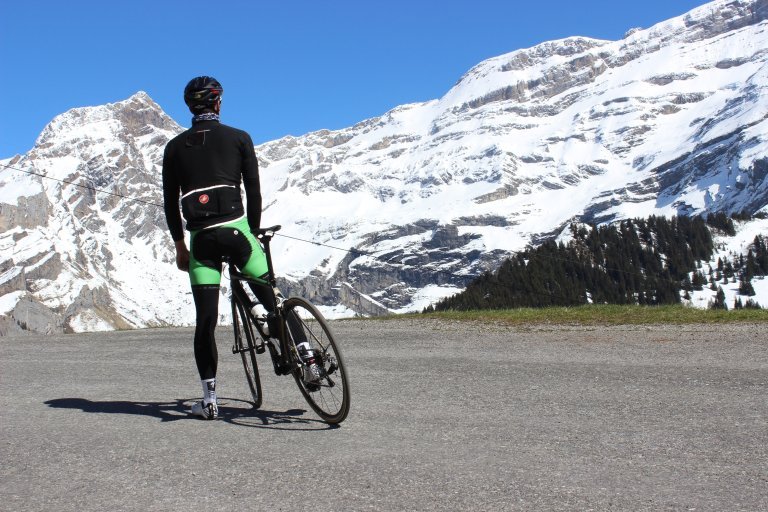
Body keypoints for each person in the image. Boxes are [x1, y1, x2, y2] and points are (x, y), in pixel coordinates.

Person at [162, 76, 315, 420]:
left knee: (205, 321)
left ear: (190, 106)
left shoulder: (173, 148)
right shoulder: (239, 138)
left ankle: (210, 399)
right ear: (218, 103)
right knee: (274, 301)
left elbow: (170, 205)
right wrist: (255, 231)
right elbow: (254, 191)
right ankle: (307, 359)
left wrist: (179, 246)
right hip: (237, 233)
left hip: (201, 242)